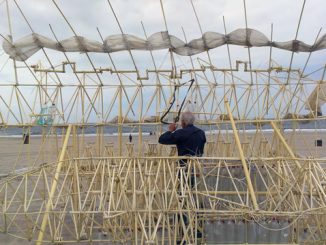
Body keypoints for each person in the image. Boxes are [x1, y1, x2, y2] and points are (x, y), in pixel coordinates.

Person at [158, 111, 206, 243]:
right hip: (196, 169)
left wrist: (171, 131)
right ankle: (198, 230)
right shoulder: (201, 133)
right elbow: (201, 149)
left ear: (183, 122)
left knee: (183, 199)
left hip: (184, 169)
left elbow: (162, 140)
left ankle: (183, 231)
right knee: (196, 198)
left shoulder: (180, 133)